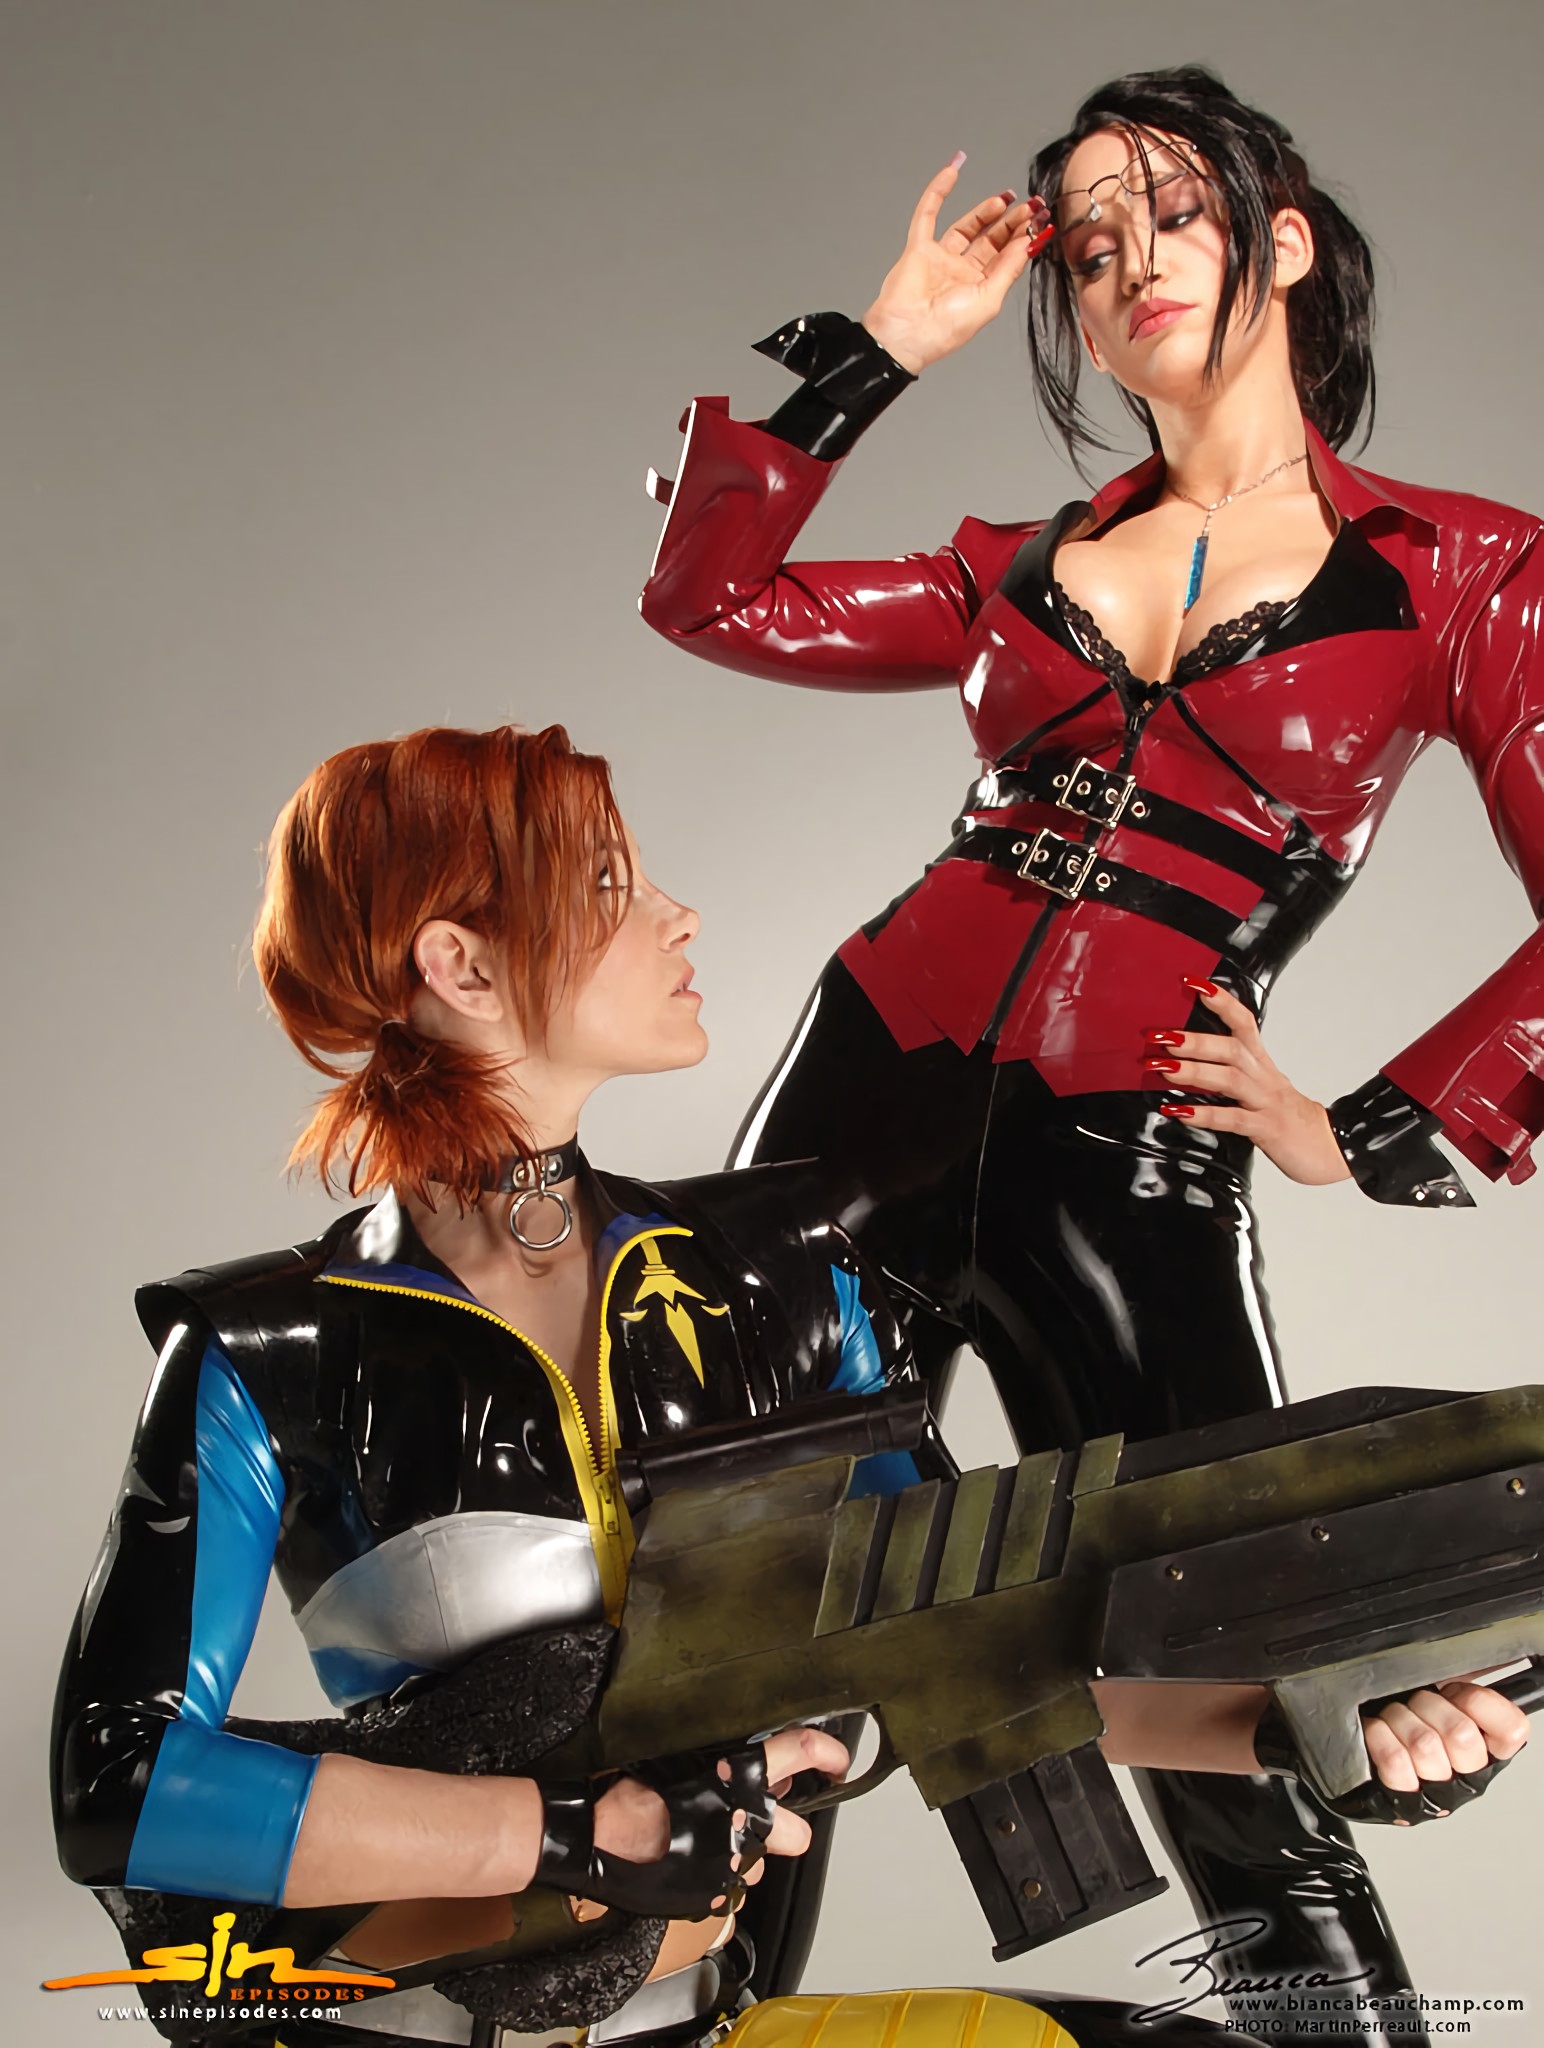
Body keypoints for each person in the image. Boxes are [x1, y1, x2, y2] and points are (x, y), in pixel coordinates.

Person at [49, 723, 1525, 2048]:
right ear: (462, 966)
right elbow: (122, 1785)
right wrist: (571, 1833)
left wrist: (1319, 1726)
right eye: (612, 885)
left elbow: (988, 1649)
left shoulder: (782, 1271)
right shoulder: (270, 1348)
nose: (676, 915)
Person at [636, 62, 1544, 2048]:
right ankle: (693, 2031)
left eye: (1175, 211)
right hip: (853, 1104)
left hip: (1125, 1156)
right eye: (1087, 238)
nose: (1129, 260)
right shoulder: (1011, 564)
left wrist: (1364, 1124)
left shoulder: (1464, 573)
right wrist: (886, 346)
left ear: (1282, 239)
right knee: (747, 1631)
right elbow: (708, 597)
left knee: (1229, 1656)